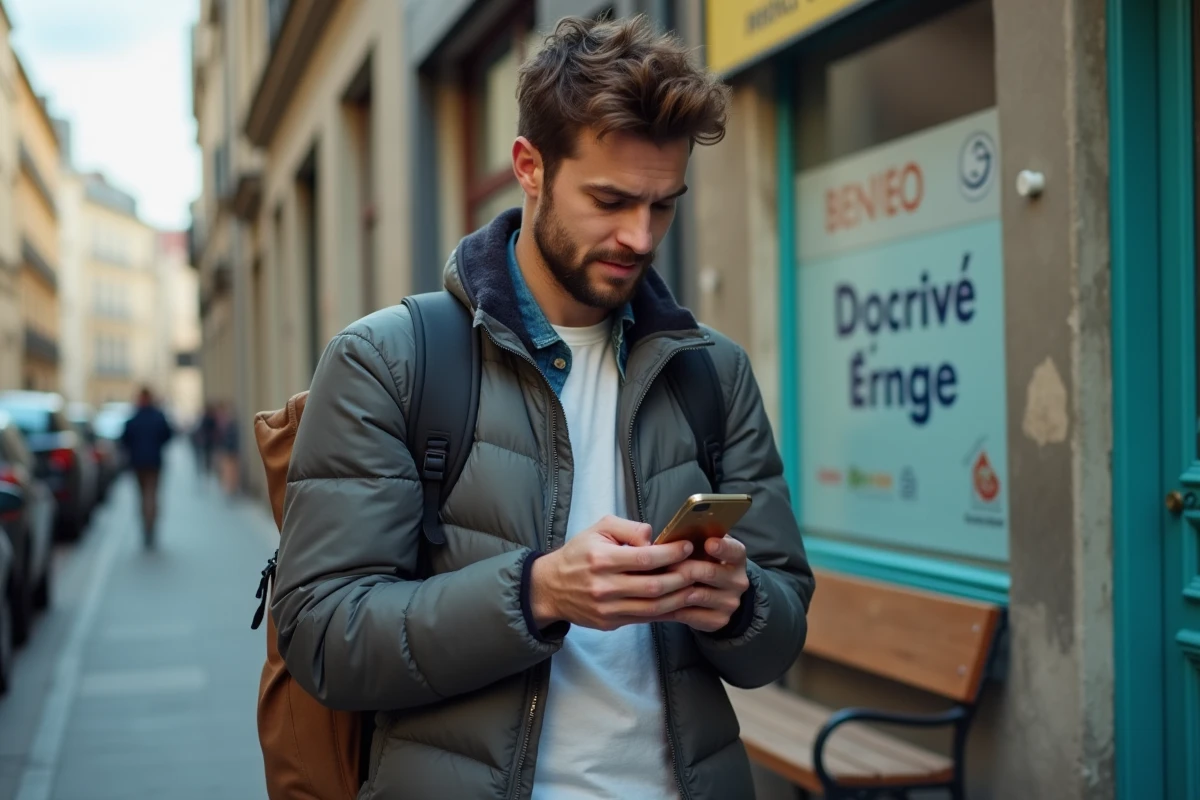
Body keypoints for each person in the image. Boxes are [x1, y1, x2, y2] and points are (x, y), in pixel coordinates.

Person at [272, 15, 814, 800]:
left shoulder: (712, 372)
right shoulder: (388, 361)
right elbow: (323, 637)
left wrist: (740, 604)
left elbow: (780, 638)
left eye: (663, 206)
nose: (640, 235)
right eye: (611, 199)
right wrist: (537, 592)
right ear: (529, 166)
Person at [120, 386, 174, 547]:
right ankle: (151, 525)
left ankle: (146, 525)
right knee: (152, 495)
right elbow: (168, 435)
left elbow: (124, 440)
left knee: (143, 496)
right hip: (154, 462)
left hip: (138, 462)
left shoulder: (133, 418)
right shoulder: (158, 417)